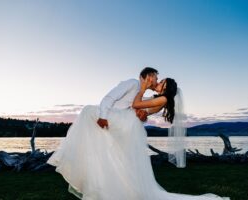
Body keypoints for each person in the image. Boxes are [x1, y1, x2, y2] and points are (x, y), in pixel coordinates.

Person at [47, 69, 230, 200]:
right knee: (113, 157)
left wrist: (142, 93)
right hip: (124, 122)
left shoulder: (161, 97)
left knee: (88, 113)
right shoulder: (140, 88)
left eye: (161, 82)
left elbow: (136, 106)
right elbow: (138, 111)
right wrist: (139, 114)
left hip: (125, 123)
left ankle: (98, 182)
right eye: (156, 79)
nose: (158, 82)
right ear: (148, 76)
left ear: (166, 87)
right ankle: (104, 185)